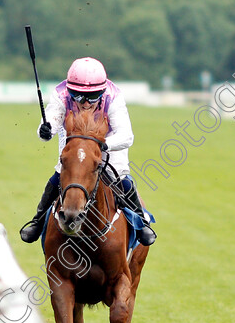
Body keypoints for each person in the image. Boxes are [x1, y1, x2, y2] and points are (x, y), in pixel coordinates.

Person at [19, 57, 156, 246]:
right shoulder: (61, 94)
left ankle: (141, 223)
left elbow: (126, 136)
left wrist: (101, 145)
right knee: (58, 176)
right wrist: (45, 129)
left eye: (92, 97)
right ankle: (38, 220)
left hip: (108, 148)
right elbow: (49, 124)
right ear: (70, 90)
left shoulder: (114, 96)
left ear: (102, 90)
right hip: (74, 146)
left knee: (122, 179)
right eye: (78, 96)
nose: (84, 103)